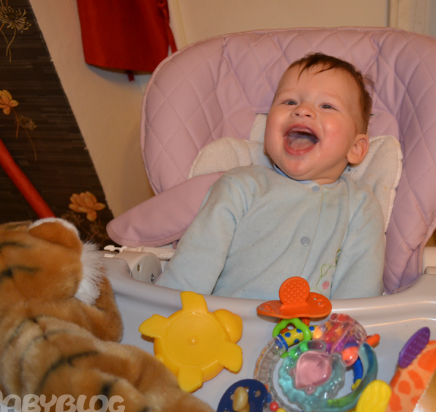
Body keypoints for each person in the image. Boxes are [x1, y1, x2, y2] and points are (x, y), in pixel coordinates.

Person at [156, 53, 385, 300]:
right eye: (289, 102)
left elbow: (361, 286)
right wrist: (169, 310)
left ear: (355, 148)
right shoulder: (240, 187)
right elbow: (194, 263)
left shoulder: (360, 204)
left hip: (316, 325)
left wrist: (340, 325)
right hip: (225, 320)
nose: (302, 110)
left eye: (326, 106)